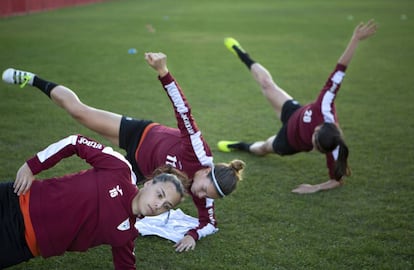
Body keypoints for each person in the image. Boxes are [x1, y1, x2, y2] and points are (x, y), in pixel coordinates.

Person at [2, 52, 246, 252]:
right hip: (141, 135)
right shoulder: (199, 152)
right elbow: (184, 112)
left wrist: (193, 234)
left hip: (141, 172)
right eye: (203, 187)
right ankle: (33, 79)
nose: (199, 193)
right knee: (79, 112)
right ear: (206, 170)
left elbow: (210, 223)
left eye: (206, 195)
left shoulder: (205, 195)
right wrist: (163, 72)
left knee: (95, 195)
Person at [218, 20, 377, 194]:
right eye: (315, 142)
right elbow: (340, 69)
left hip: (288, 141)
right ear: (318, 127)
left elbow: (336, 181)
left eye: (317, 149)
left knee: (263, 148)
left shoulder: (334, 147)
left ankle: (240, 145)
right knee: (266, 83)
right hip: (294, 113)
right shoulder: (324, 105)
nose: (313, 148)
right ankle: (241, 52)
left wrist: (314, 188)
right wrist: (355, 38)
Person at [0, 134, 186, 269]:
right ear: (149, 183)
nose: (158, 206)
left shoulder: (126, 234)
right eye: (160, 195)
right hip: (16, 198)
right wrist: (32, 165)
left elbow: (126, 266)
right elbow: (76, 142)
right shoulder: (120, 169)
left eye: (166, 206)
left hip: (21, 244)